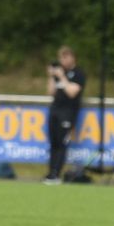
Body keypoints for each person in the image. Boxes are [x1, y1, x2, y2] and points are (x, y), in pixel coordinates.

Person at [44, 45, 86, 184]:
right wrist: (51, 76)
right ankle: (50, 173)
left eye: (65, 57)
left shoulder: (79, 73)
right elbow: (51, 92)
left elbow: (72, 92)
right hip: (55, 110)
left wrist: (62, 77)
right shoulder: (58, 74)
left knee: (62, 143)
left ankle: (56, 173)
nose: (62, 60)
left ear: (72, 57)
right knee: (53, 142)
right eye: (60, 57)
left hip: (68, 112)